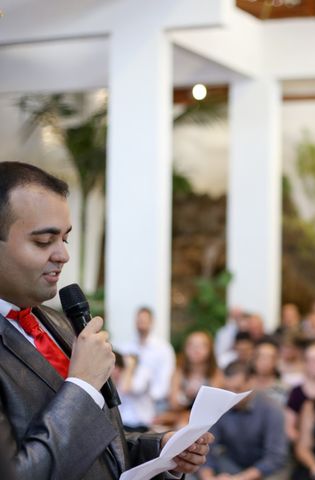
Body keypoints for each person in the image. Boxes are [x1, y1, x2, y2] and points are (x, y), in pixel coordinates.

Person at [0, 161, 211, 478]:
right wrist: (83, 385)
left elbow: (99, 446)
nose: (62, 255)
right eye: (44, 241)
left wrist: (159, 450)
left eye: (65, 239)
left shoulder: (57, 323)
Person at [200, 361, 288, 480]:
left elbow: (275, 458)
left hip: (266, 471)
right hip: (233, 464)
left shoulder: (272, 409)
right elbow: (207, 447)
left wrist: (240, 478)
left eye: (237, 389)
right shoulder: (222, 406)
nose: (232, 395)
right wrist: (208, 477)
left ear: (252, 381)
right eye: (228, 389)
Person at [116, 306, 176, 413]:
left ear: (152, 321)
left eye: (144, 320)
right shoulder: (125, 348)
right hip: (127, 405)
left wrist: (152, 397)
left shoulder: (163, 348)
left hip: (155, 405)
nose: (141, 323)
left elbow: (166, 375)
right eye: (139, 320)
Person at [166, 330, 223, 427]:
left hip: (207, 422)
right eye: (191, 345)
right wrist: (186, 396)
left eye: (201, 346)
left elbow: (215, 406)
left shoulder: (216, 373)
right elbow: (173, 404)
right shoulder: (178, 371)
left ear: (210, 349)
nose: (196, 350)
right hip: (181, 418)